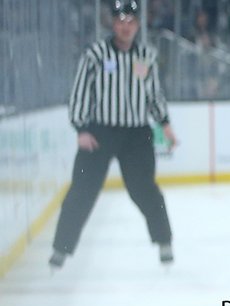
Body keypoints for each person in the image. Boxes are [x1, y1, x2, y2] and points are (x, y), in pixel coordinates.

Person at [49, 0, 176, 270]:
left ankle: (164, 241)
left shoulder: (146, 56)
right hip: (99, 133)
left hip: (136, 135)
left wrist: (164, 123)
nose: (125, 27)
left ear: (138, 24)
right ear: (112, 23)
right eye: (120, 21)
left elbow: (154, 94)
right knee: (81, 192)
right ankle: (61, 250)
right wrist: (81, 129)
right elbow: (79, 93)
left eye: (131, 21)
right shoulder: (95, 54)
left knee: (144, 190)